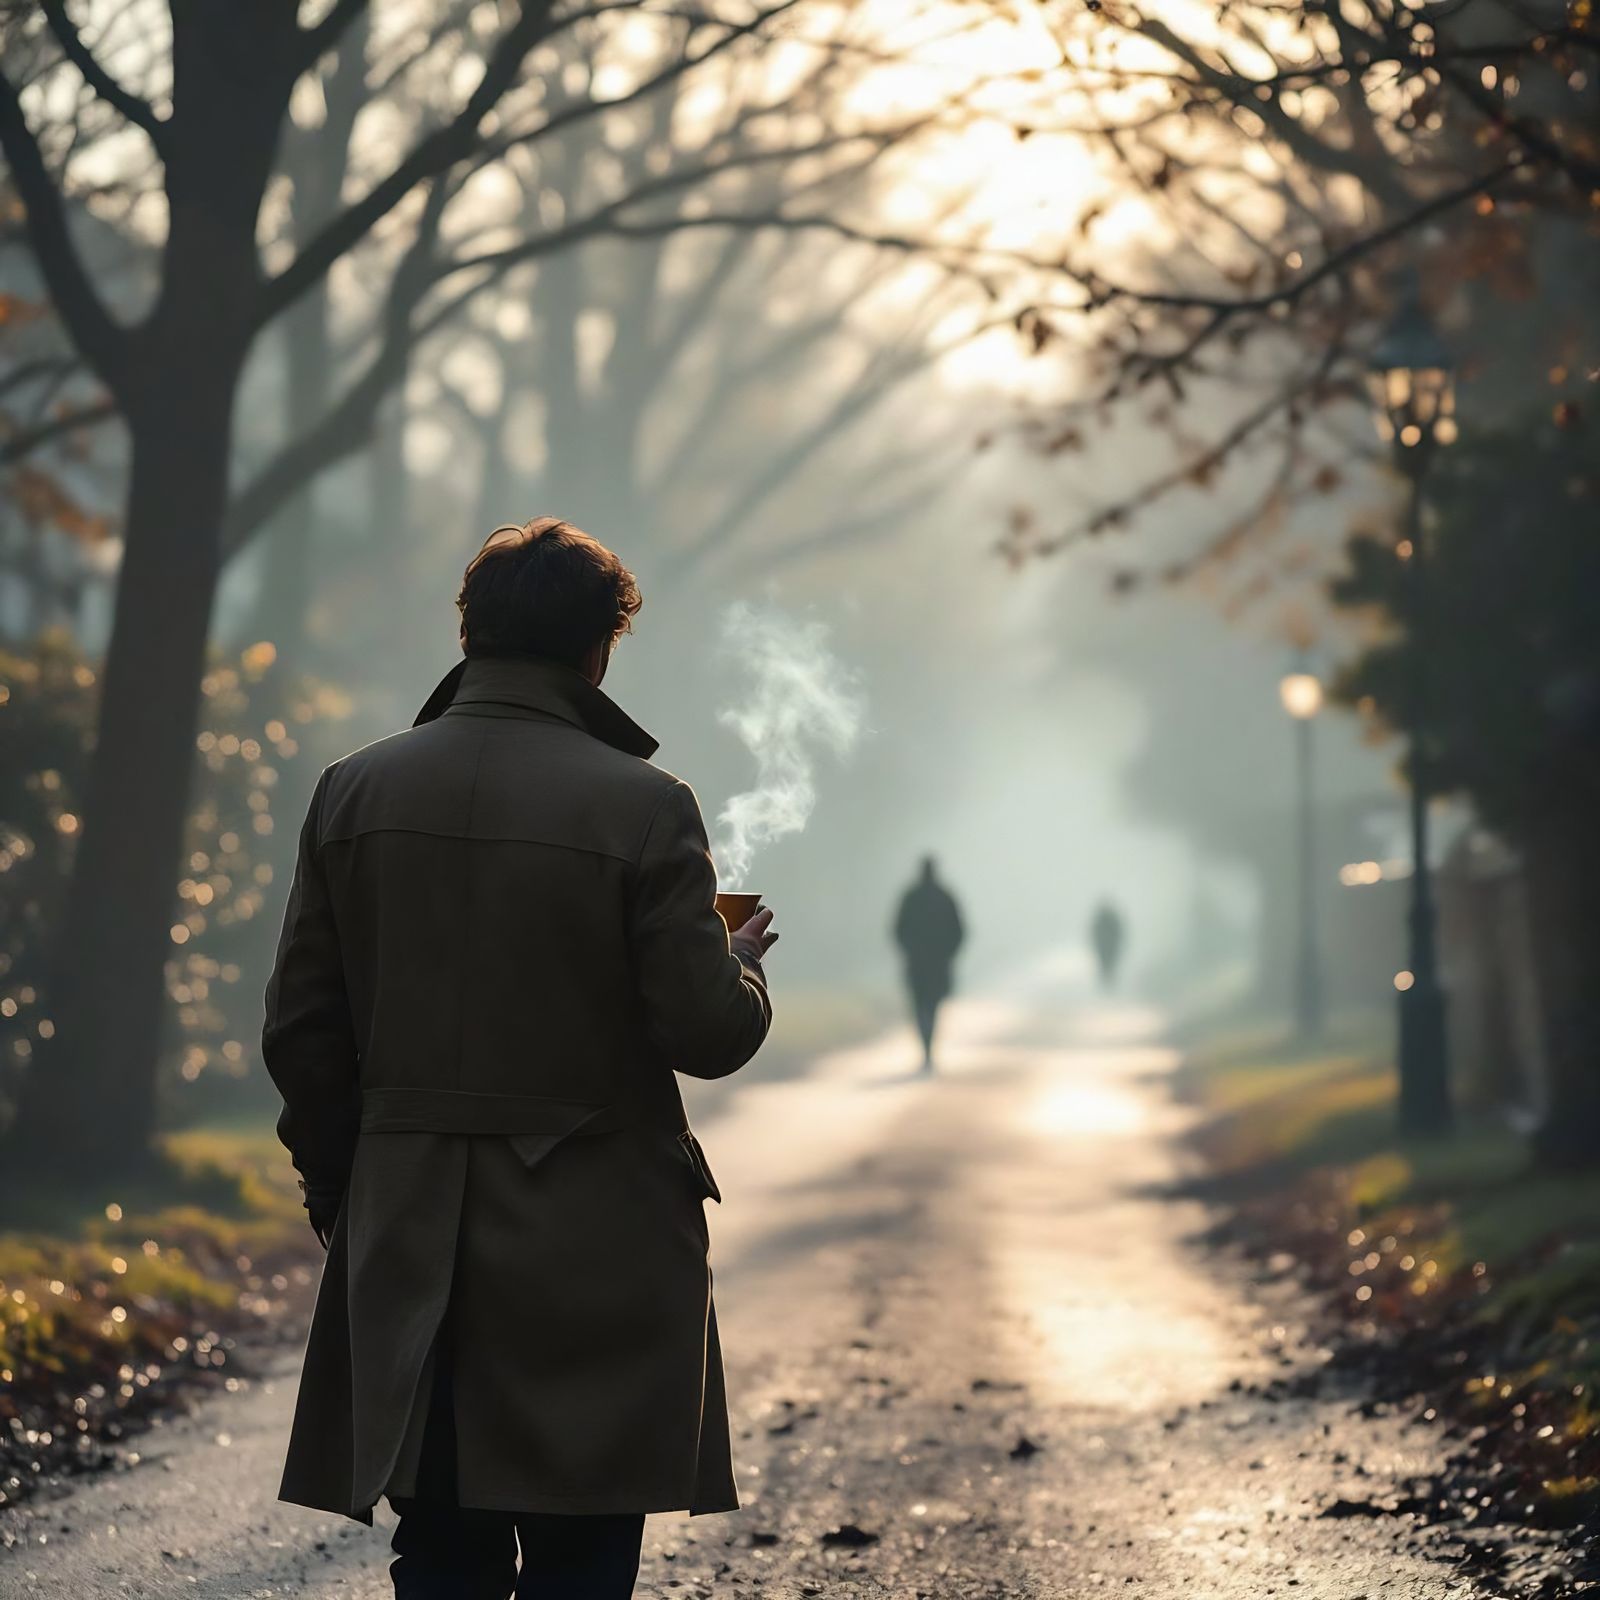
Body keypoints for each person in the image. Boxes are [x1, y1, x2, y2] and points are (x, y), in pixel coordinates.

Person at [263, 517, 777, 1600]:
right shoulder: (647, 805)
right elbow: (705, 1032)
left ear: (470, 633)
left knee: (442, 1547)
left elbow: (303, 1029)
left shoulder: (351, 791)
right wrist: (739, 967)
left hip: (410, 1234)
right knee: (582, 1553)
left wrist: (343, 1189)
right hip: (596, 1244)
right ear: (598, 649)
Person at [892, 856, 965, 1071]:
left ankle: (926, 1047)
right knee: (931, 1006)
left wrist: (909, 951)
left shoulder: (911, 897)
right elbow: (959, 931)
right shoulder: (944, 897)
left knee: (921, 1006)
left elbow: (898, 930)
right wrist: (948, 953)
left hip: (920, 963)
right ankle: (927, 1048)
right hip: (936, 964)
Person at [1090, 899, 1126, 991]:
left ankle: (1108, 984)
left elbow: (1095, 933)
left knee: (1107, 963)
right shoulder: (1110, 920)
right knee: (1107, 963)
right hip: (1106, 946)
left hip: (1106, 946)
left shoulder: (1102, 920)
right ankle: (1107, 984)